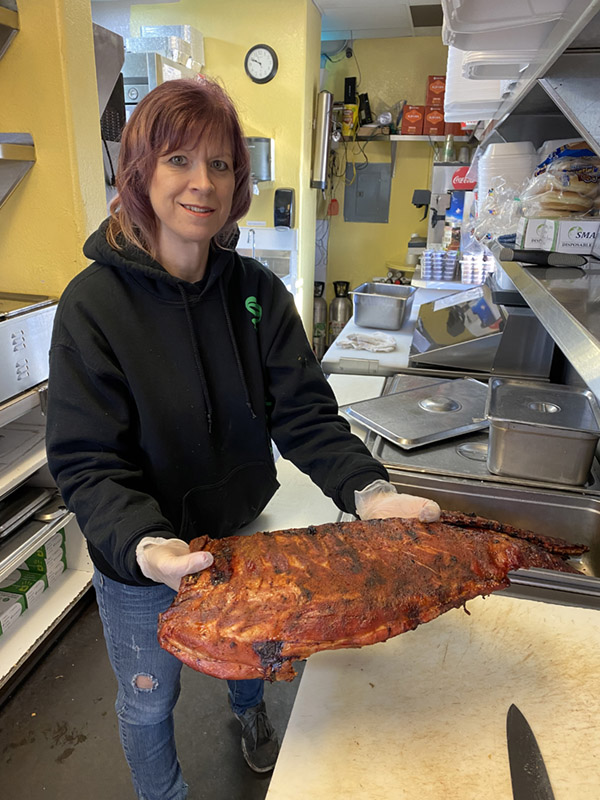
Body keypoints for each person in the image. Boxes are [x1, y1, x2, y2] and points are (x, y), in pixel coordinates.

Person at [45, 77, 440, 800]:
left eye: (221, 165)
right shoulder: (91, 306)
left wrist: (370, 492)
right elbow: (85, 457)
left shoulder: (255, 292)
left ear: (239, 181)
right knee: (146, 700)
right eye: (179, 161)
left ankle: (248, 713)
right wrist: (146, 544)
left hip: (239, 533)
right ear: (138, 171)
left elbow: (306, 414)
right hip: (141, 559)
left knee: (251, 657)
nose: (203, 183)